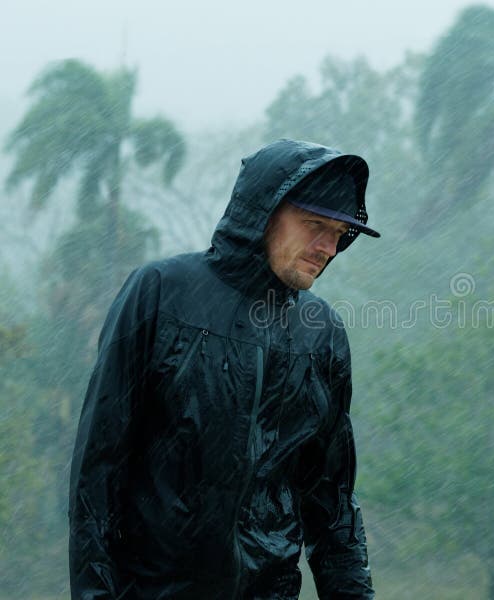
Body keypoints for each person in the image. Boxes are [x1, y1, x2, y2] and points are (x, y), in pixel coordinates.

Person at [68, 139, 379, 599]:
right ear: (264, 212)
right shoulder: (160, 295)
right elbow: (98, 475)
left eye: (338, 232)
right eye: (315, 224)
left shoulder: (320, 334)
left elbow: (331, 505)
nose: (327, 247)